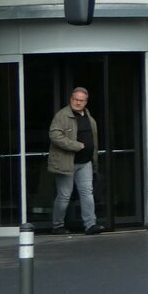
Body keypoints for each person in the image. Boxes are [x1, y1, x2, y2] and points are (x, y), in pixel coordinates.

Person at [48, 86, 103, 235]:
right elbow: (54, 136)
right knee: (64, 195)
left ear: (86, 102)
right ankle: (57, 225)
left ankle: (90, 225)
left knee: (87, 193)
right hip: (66, 163)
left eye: (81, 100)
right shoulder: (62, 116)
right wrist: (76, 145)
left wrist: (93, 158)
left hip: (85, 162)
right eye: (76, 99)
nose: (78, 103)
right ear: (71, 99)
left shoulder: (88, 116)